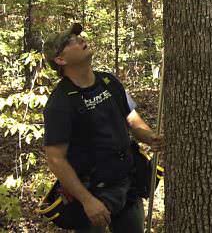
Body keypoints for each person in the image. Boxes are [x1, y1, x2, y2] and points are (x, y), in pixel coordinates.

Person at [42, 23, 164, 233]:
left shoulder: (109, 81)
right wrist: (87, 201)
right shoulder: (60, 103)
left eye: (78, 36)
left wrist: (150, 136)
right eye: (69, 41)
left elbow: (132, 119)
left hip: (128, 184)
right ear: (60, 60)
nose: (80, 40)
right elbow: (56, 159)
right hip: (92, 195)